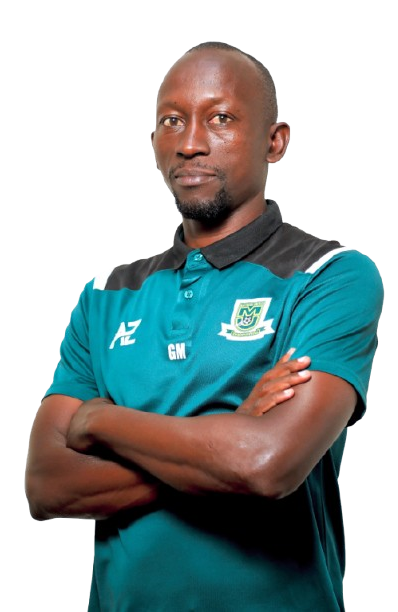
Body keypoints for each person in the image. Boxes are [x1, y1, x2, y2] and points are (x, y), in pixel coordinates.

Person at [24, 41, 384, 611]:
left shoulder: (329, 275)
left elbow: (267, 466)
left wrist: (100, 420)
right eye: (172, 120)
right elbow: (48, 486)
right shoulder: (106, 295)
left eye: (220, 119)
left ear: (275, 142)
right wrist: (231, 434)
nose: (190, 142)